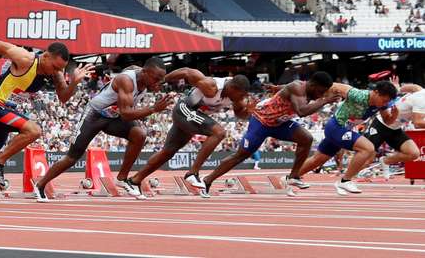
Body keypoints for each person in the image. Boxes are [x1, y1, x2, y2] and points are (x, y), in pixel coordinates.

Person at [0, 36, 93, 204]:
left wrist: (74, 83)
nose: (54, 72)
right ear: (45, 56)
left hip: (5, 112)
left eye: (59, 69)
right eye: (53, 67)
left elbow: (64, 97)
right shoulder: (25, 58)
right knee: (34, 130)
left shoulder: (56, 72)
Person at [34, 58, 172, 201]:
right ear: (144, 72)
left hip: (113, 117)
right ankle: (40, 185)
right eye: (156, 79)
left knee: (140, 134)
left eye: (160, 80)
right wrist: (154, 108)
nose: (158, 83)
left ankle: (122, 178)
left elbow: (134, 70)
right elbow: (126, 114)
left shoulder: (142, 74)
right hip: (94, 115)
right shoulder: (127, 81)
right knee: (72, 157)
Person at [199, 71, 335, 197]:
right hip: (261, 121)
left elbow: (289, 87)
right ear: (312, 84)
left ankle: (293, 177)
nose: (320, 95)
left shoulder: (300, 87)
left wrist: (278, 88)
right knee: (241, 155)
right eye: (319, 92)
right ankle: (207, 180)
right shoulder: (298, 88)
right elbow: (301, 111)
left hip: (279, 124)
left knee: (306, 138)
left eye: (322, 94)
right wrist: (324, 101)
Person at [126, 69, 252, 193]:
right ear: (233, 88)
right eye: (241, 95)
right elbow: (187, 72)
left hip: (194, 118)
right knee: (219, 132)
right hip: (184, 109)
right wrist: (163, 80)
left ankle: (135, 181)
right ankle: (193, 173)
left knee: (168, 152)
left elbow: (239, 113)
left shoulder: (236, 96)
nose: (242, 98)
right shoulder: (212, 86)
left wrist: (248, 112)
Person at [297, 80, 398, 195]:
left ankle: (290, 177)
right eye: (384, 100)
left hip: (342, 131)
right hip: (336, 126)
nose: (385, 104)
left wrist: (394, 116)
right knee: (367, 148)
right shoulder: (358, 94)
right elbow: (334, 85)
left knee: (317, 160)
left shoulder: (381, 105)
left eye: (387, 102)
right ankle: (345, 180)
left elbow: (387, 120)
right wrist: (320, 98)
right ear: (376, 92)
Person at [364, 80, 424, 179]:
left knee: (413, 153)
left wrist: (397, 89)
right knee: (367, 160)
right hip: (380, 124)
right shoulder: (423, 100)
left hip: (395, 128)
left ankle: (386, 161)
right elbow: (417, 122)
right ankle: (345, 180)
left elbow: (413, 87)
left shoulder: (420, 90)